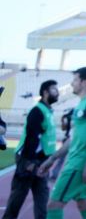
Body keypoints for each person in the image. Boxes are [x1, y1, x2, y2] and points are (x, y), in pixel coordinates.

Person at [38, 67, 86, 219]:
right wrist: (52, 159)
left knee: (54, 204)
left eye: (75, 80)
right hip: (77, 161)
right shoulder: (81, 105)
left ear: (84, 82)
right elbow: (73, 139)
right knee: (83, 202)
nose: (72, 83)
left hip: (79, 164)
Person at [3, 80, 59, 219]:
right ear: (45, 92)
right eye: (53, 89)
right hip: (29, 159)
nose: (57, 92)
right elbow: (31, 137)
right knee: (17, 198)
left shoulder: (48, 111)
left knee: (42, 197)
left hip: (42, 161)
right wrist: (28, 162)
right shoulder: (37, 111)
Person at [49, 108, 73, 181]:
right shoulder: (78, 119)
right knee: (69, 159)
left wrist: (63, 120)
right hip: (72, 139)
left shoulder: (67, 118)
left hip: (67, 138)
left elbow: (63, 128)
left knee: (61, 159)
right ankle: (66, 176)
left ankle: (55, 175)